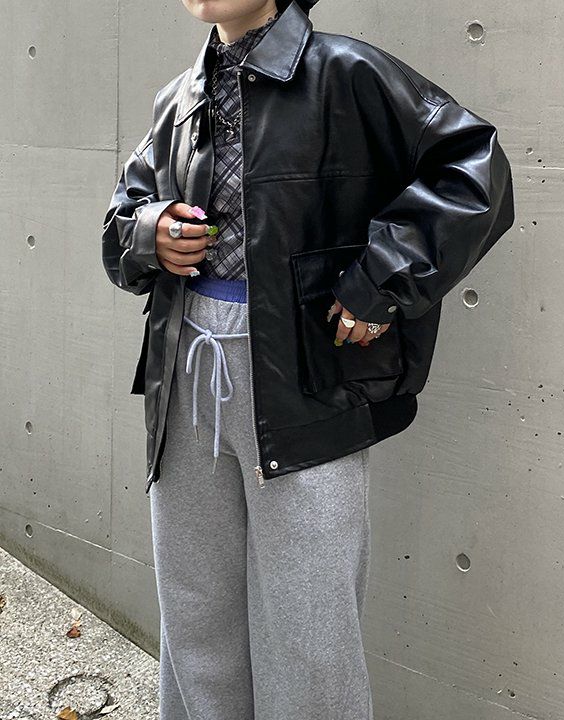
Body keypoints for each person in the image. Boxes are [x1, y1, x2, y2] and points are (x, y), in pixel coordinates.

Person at [101, 0, 515, 717]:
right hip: (185, 371)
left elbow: (474, 168)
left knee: (309, 624)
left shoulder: (344, 73)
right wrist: (148, 231)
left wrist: (379, 281)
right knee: (195, 616)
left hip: (304, 383)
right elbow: (121, 221)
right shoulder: (178, 99)